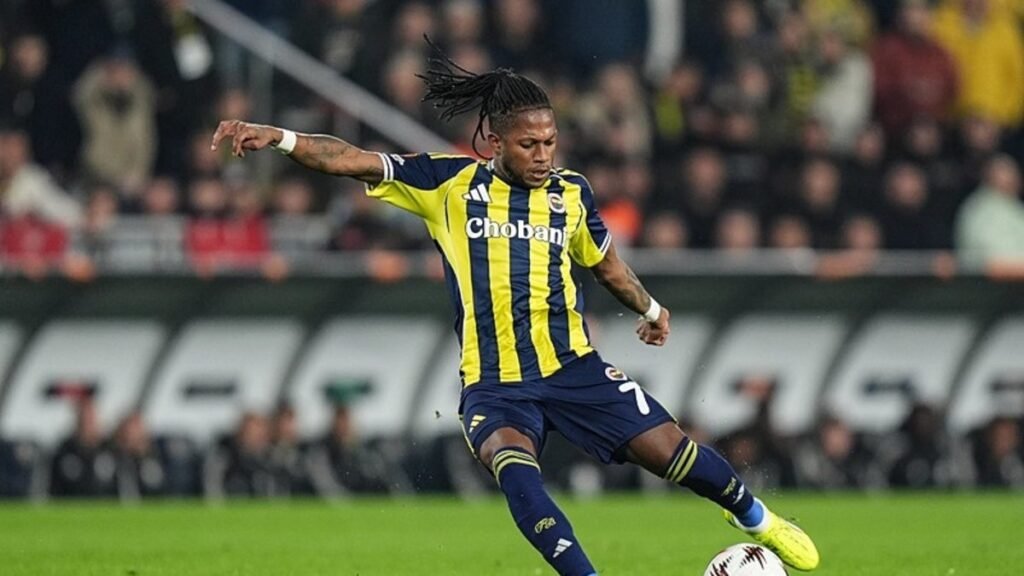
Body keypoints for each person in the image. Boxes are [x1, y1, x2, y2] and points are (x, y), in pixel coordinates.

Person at [211, 45, 819, 574]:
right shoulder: (449, 184)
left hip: (573, 367)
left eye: (550, 142)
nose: (543, 154)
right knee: (518, 473)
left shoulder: (571, 193)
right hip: (495, 382)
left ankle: (755, 518)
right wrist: (281, 138)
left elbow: (605, 263)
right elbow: (349, 158)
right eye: (530, 144)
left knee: (673, 453)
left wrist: (651, 308)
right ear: (496, 142)